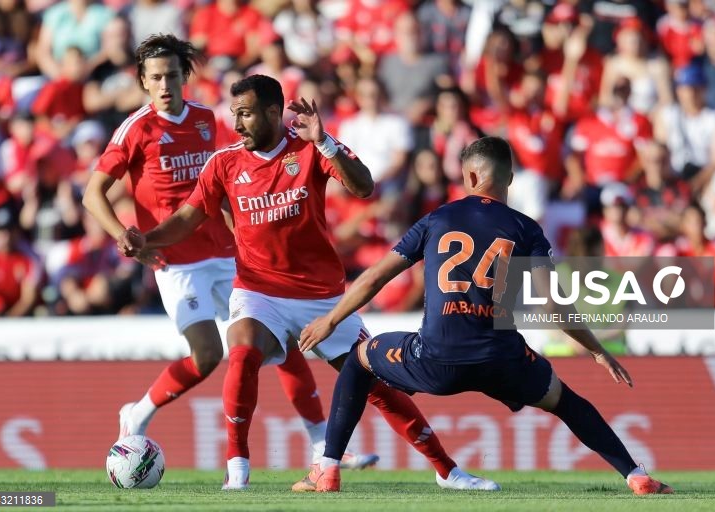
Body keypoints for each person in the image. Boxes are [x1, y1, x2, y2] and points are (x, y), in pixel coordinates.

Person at [120, 74, 494, 492]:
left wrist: (325, 141)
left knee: (378, 386)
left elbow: (365, 187)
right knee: (241, 352)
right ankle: (237, 469)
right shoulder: (224, 163)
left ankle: (447, 470)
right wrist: (146, 239)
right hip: (258, 291)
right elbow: (188, 218)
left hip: (322, 298)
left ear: (274, 113)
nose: (237, 124)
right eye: (234, 114)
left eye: (245, 114)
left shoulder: (310, 150)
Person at [297, 137, 674, 495]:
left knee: (360, 359)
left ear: (470, 176)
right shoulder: (526, 228)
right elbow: (552, 305)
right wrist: (595, 350)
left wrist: (330, 320)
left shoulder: (437, 219)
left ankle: (327, 468)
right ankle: (637, 476)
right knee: (568, 404)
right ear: (509, 178)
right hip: (504, 360)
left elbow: (376, 276)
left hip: (436, 359)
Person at [82, 35, 376, 475]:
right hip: (176, 260)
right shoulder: (135, 129)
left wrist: (246, 233)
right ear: (143, 82)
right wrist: (131, 238)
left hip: (225, 254)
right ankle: (138, 412)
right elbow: (92, 194)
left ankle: (321, 443)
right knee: (205, 357)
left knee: (285, 342)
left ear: (186, 77)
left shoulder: (208, 119)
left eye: (172, 75)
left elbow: (235, 175)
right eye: (155, 78)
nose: (165, 85)